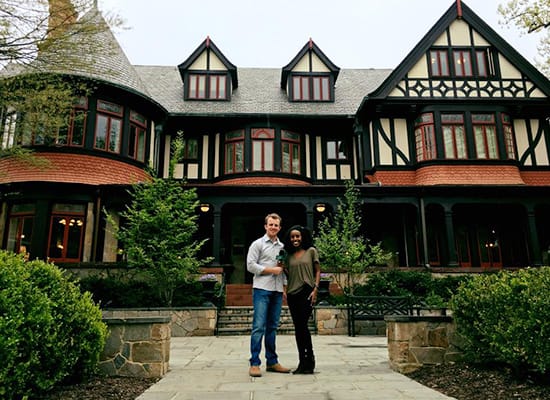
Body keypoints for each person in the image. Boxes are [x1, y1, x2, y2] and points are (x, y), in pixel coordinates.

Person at [246, 213, 291, 377]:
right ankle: (255, 363)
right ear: (265, 226)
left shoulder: (282, 247)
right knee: (258, 327)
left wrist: (285, 287)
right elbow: (250, 265)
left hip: (277, 290)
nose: (273, 227)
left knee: (272, 327)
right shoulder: (257, 244)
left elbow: (283, 269)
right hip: (261, 289)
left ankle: (272, 362)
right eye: (270, 224)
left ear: (279, 227)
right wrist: (270, 270)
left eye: (276, 225)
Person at [282, 225, 321, 374]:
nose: (295, 239)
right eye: (292, 237)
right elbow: (289, 275)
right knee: (298, 328)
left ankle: (309, 360)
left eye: (297, 236)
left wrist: (315, 290)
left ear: (302, 237)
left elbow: (317, 271)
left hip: (307, 291)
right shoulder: (289, 255)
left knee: (303, 326)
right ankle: (302, 362)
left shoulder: (311, 251)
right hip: (293, 293)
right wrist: (283, 268)